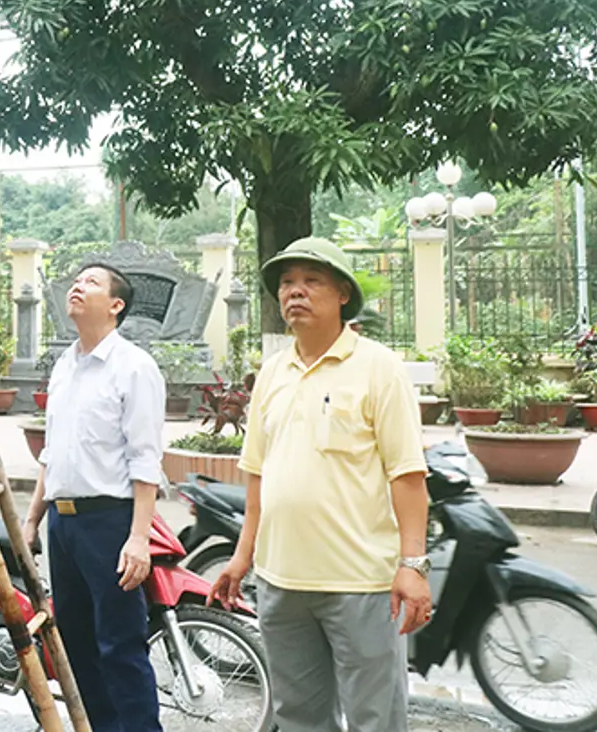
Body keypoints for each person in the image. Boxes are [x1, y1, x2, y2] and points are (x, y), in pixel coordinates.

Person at [209, 236, 432, 732]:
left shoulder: (379, 369)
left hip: (362, 584)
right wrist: (243, 557)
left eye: (312, 281)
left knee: (375, 719)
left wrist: (413, 566)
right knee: (299, 719)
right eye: (287, 283)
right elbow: (259, 477)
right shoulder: (271, 373)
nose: (296, 293)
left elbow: (408, 477)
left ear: (343, 294)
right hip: (282, 584)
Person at [22, 263, 165, 732]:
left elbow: (146, 459)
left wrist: (138, 537)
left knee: (120, 647)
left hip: (110, 523)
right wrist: (31, 520)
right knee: (77, 647)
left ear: (116, 305)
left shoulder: (135, 368)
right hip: (62, 525)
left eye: (91, 283)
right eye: (76, 281)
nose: (77, 287)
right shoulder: (66, 365)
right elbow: (53, 452)